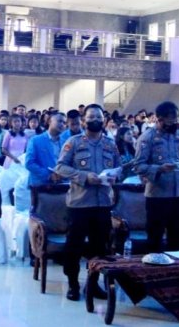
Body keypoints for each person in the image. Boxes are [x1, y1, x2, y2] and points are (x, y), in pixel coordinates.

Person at [56, 104, 120, 301]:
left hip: (103, 204)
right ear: (84, 121)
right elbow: (60, 167)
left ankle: (93, 284)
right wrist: (84, 176)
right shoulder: (74, 142)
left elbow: (119, 167)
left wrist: (114, 177)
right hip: (79, 204)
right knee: (74, 247)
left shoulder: (110, 144)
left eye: (98, 117)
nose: (95, 120)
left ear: (104, 120)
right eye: (91, 117)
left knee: (99, 247)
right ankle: (73, 284)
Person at [134, 101, 179, 254]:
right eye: (170, 119)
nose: (173, 122)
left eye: (175, 118)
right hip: (157, 195)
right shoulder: (147, 137)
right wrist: (158, 169)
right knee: (155, 239)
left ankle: (178, 267)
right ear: (159, 119)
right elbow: (138, 166)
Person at [25, 112, 66, 186]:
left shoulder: (65, 142)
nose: (62, 124)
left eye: (64, 123)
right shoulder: (35, 140)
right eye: (59, 121)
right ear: (49, 121)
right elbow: (29, 163)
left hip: (61, 183)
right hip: (40, 185)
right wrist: (48, 175)